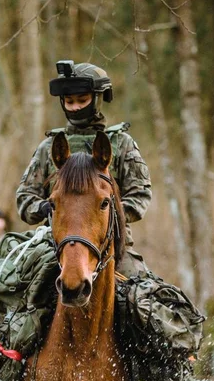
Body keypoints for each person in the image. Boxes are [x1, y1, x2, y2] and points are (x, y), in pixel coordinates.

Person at [15, 61, 151, 278]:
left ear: (97, 99)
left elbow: (140, 195)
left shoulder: (122, 144)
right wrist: (43, 208)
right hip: (55, 246)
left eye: (82, 100)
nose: (75, 107)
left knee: (145, 299)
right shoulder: (48, 148)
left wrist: (106, 214)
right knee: (15, 292)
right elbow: (24, 196)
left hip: (113, 249)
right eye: (69, 101)